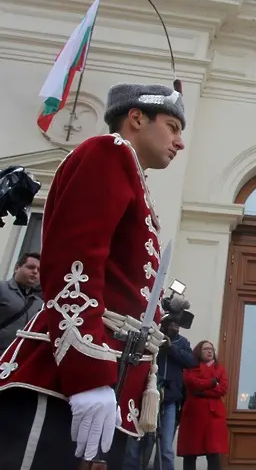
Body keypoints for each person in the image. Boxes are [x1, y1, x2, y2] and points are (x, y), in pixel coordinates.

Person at [0, 82, 186, 470]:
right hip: (67, 375)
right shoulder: (109, 152)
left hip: (112, 371)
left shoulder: (134, 177)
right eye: (172, 126)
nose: (179, 142)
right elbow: (75, 262)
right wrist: (87, 374)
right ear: (137, 118)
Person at [123, 314, 197, 470]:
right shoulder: (151, 336)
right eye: (172, 325)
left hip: (169, 399)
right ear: (164, 325)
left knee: (166, 448)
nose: (175, 328)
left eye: (177, 325)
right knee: (138, 441)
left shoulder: (182, 342)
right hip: (146, 397)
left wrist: (171, 348)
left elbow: (191, 362)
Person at [177, 340, 229, 470]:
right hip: (193, 414)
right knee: (190, 451)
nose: (209, 351)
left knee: (214, 451)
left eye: (211, 349)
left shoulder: (220, 369)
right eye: (206, 349)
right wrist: (212, 383)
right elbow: (191, 384)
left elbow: (223, 389)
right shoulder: (191, 367)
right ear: (199, 351)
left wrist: (203, 391)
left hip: (214, 414)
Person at [0, 251, 43, 352]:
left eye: (39, 270)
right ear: (17, 268)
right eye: (31, 267)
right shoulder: (2, 289)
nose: (35, 272)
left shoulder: (40, 304)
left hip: (17, 358)